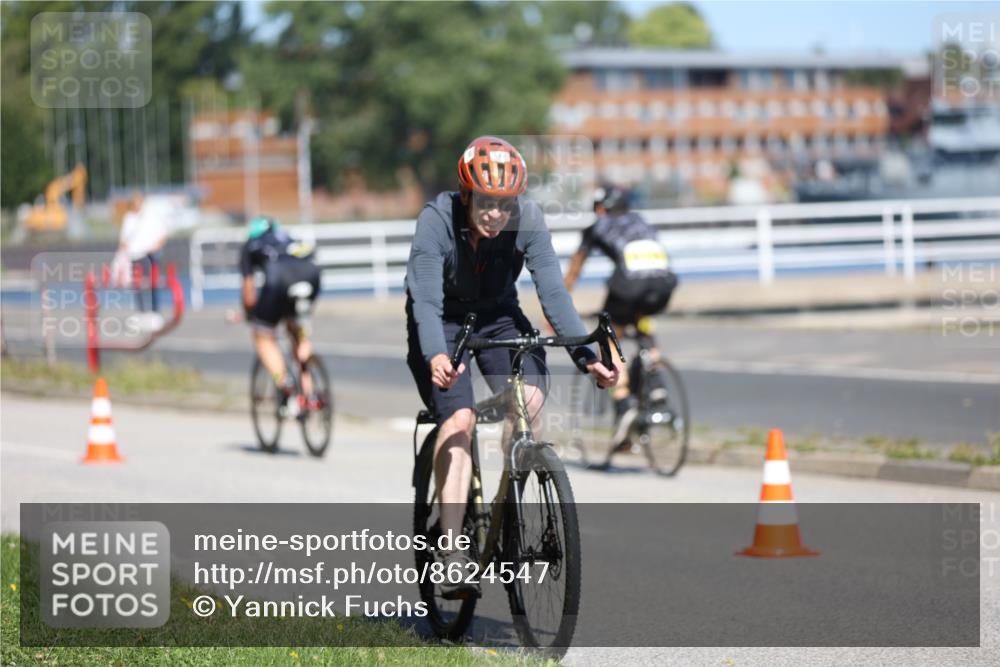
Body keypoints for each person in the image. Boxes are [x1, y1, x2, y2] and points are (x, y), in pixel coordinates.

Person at [405, 136, 619, 598]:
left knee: (531, 404)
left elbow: (555, 296)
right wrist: (436, 355)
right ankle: (454, 551)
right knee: (458, 419)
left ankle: (508, 509)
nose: (495, 215)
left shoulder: (529, 221)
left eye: (504, 204)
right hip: (442, 321)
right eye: (485, 203)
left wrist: (588, 358)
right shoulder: (436, 222)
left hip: (499, 317)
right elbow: (424, 300)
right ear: (467, 196)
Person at [563, 183, 678, 447]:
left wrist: (558, 302)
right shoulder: (640, 220)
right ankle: (656, 381)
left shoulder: (597, 226)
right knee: (643, 324)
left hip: (630, 284)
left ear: (601, 208)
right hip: (664, 284)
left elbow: (576, 266)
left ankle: (624, 401)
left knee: (609, 329)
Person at [239, 216, 321, 412]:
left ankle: (286, 386)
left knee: (263, 336)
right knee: (295, 328)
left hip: (279, 279)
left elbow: (249, 293)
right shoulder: (287, 237)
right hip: (311, 275)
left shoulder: (250, 245)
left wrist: (250, 314)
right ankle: (310, 393)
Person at [117, 192, 168, 330]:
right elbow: (124, 239)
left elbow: (162, 235)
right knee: (138, 285)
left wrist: (154, 247)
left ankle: (154, 312)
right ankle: (142, 313)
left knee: (152, 283)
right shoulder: (129, 218)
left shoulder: (151, 217)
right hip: (134, 256)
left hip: (148, 255)